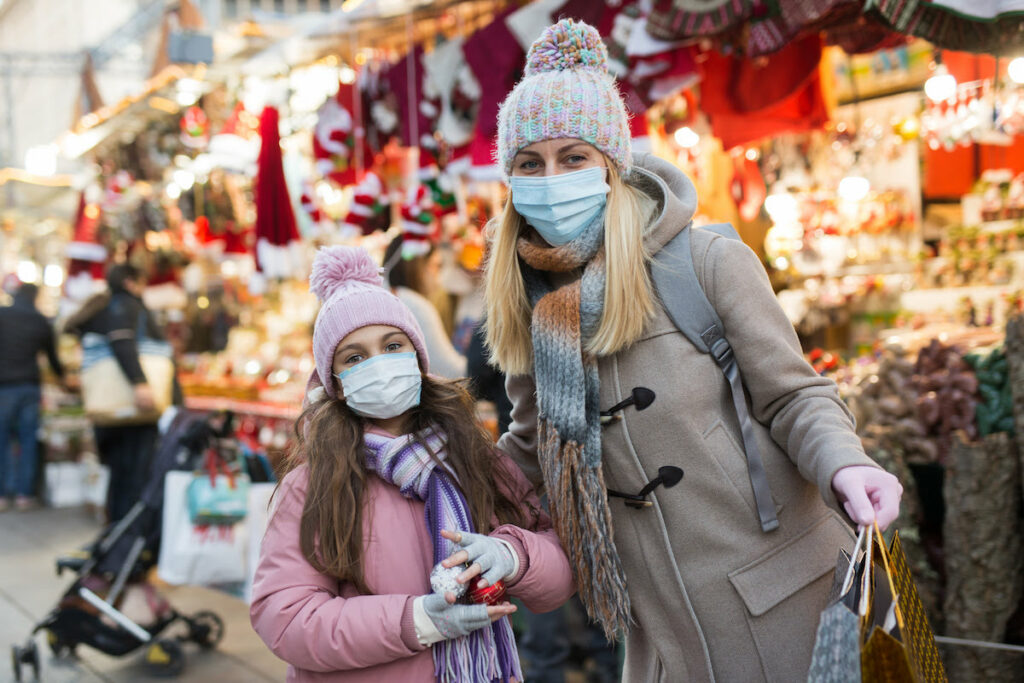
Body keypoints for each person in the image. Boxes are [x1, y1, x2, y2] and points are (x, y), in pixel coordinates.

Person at [484, 19, 904, 682]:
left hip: (786, 604)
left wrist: (844, 464)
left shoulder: (705, 261)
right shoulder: (532, 302)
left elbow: (795, 395)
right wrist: (429, 481)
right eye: (530, 163)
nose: (550, 177)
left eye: (573, 157)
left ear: (612, 165)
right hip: (662, 642)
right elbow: (531, 448)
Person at [249, 246, 574, 682]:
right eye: (354, 357)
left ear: (418, 359)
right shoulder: (313, 485)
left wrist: (513, 556)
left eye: (392, 346)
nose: (380, 364)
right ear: (337, 384)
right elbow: (285, 618)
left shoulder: (475, 458)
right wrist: (416, 620)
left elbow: (559, 570)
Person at [65, 264, 165, 523]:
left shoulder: (102, 306)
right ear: (130, 282)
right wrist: (140, 383)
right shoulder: (125, 305)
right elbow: (122, 341)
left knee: (119, 472)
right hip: (131, 405)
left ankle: (117, 529)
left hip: (111, 406)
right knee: (134, 473)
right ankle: (127, 531)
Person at [0, 282, 66, 510]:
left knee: (2, 439)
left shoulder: (2, 315)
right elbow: (52, 357)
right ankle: (24, 495)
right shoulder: (39, 320)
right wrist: (63, 378)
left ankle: (2, 494)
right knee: (28, 439)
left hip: (3, 386)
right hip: (29, 385)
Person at [383, 235, 467, 379]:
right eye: (436, 266)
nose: (439, 277)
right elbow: (448, 369)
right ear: (418, 267)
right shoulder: (416, 305)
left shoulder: (386, 297)